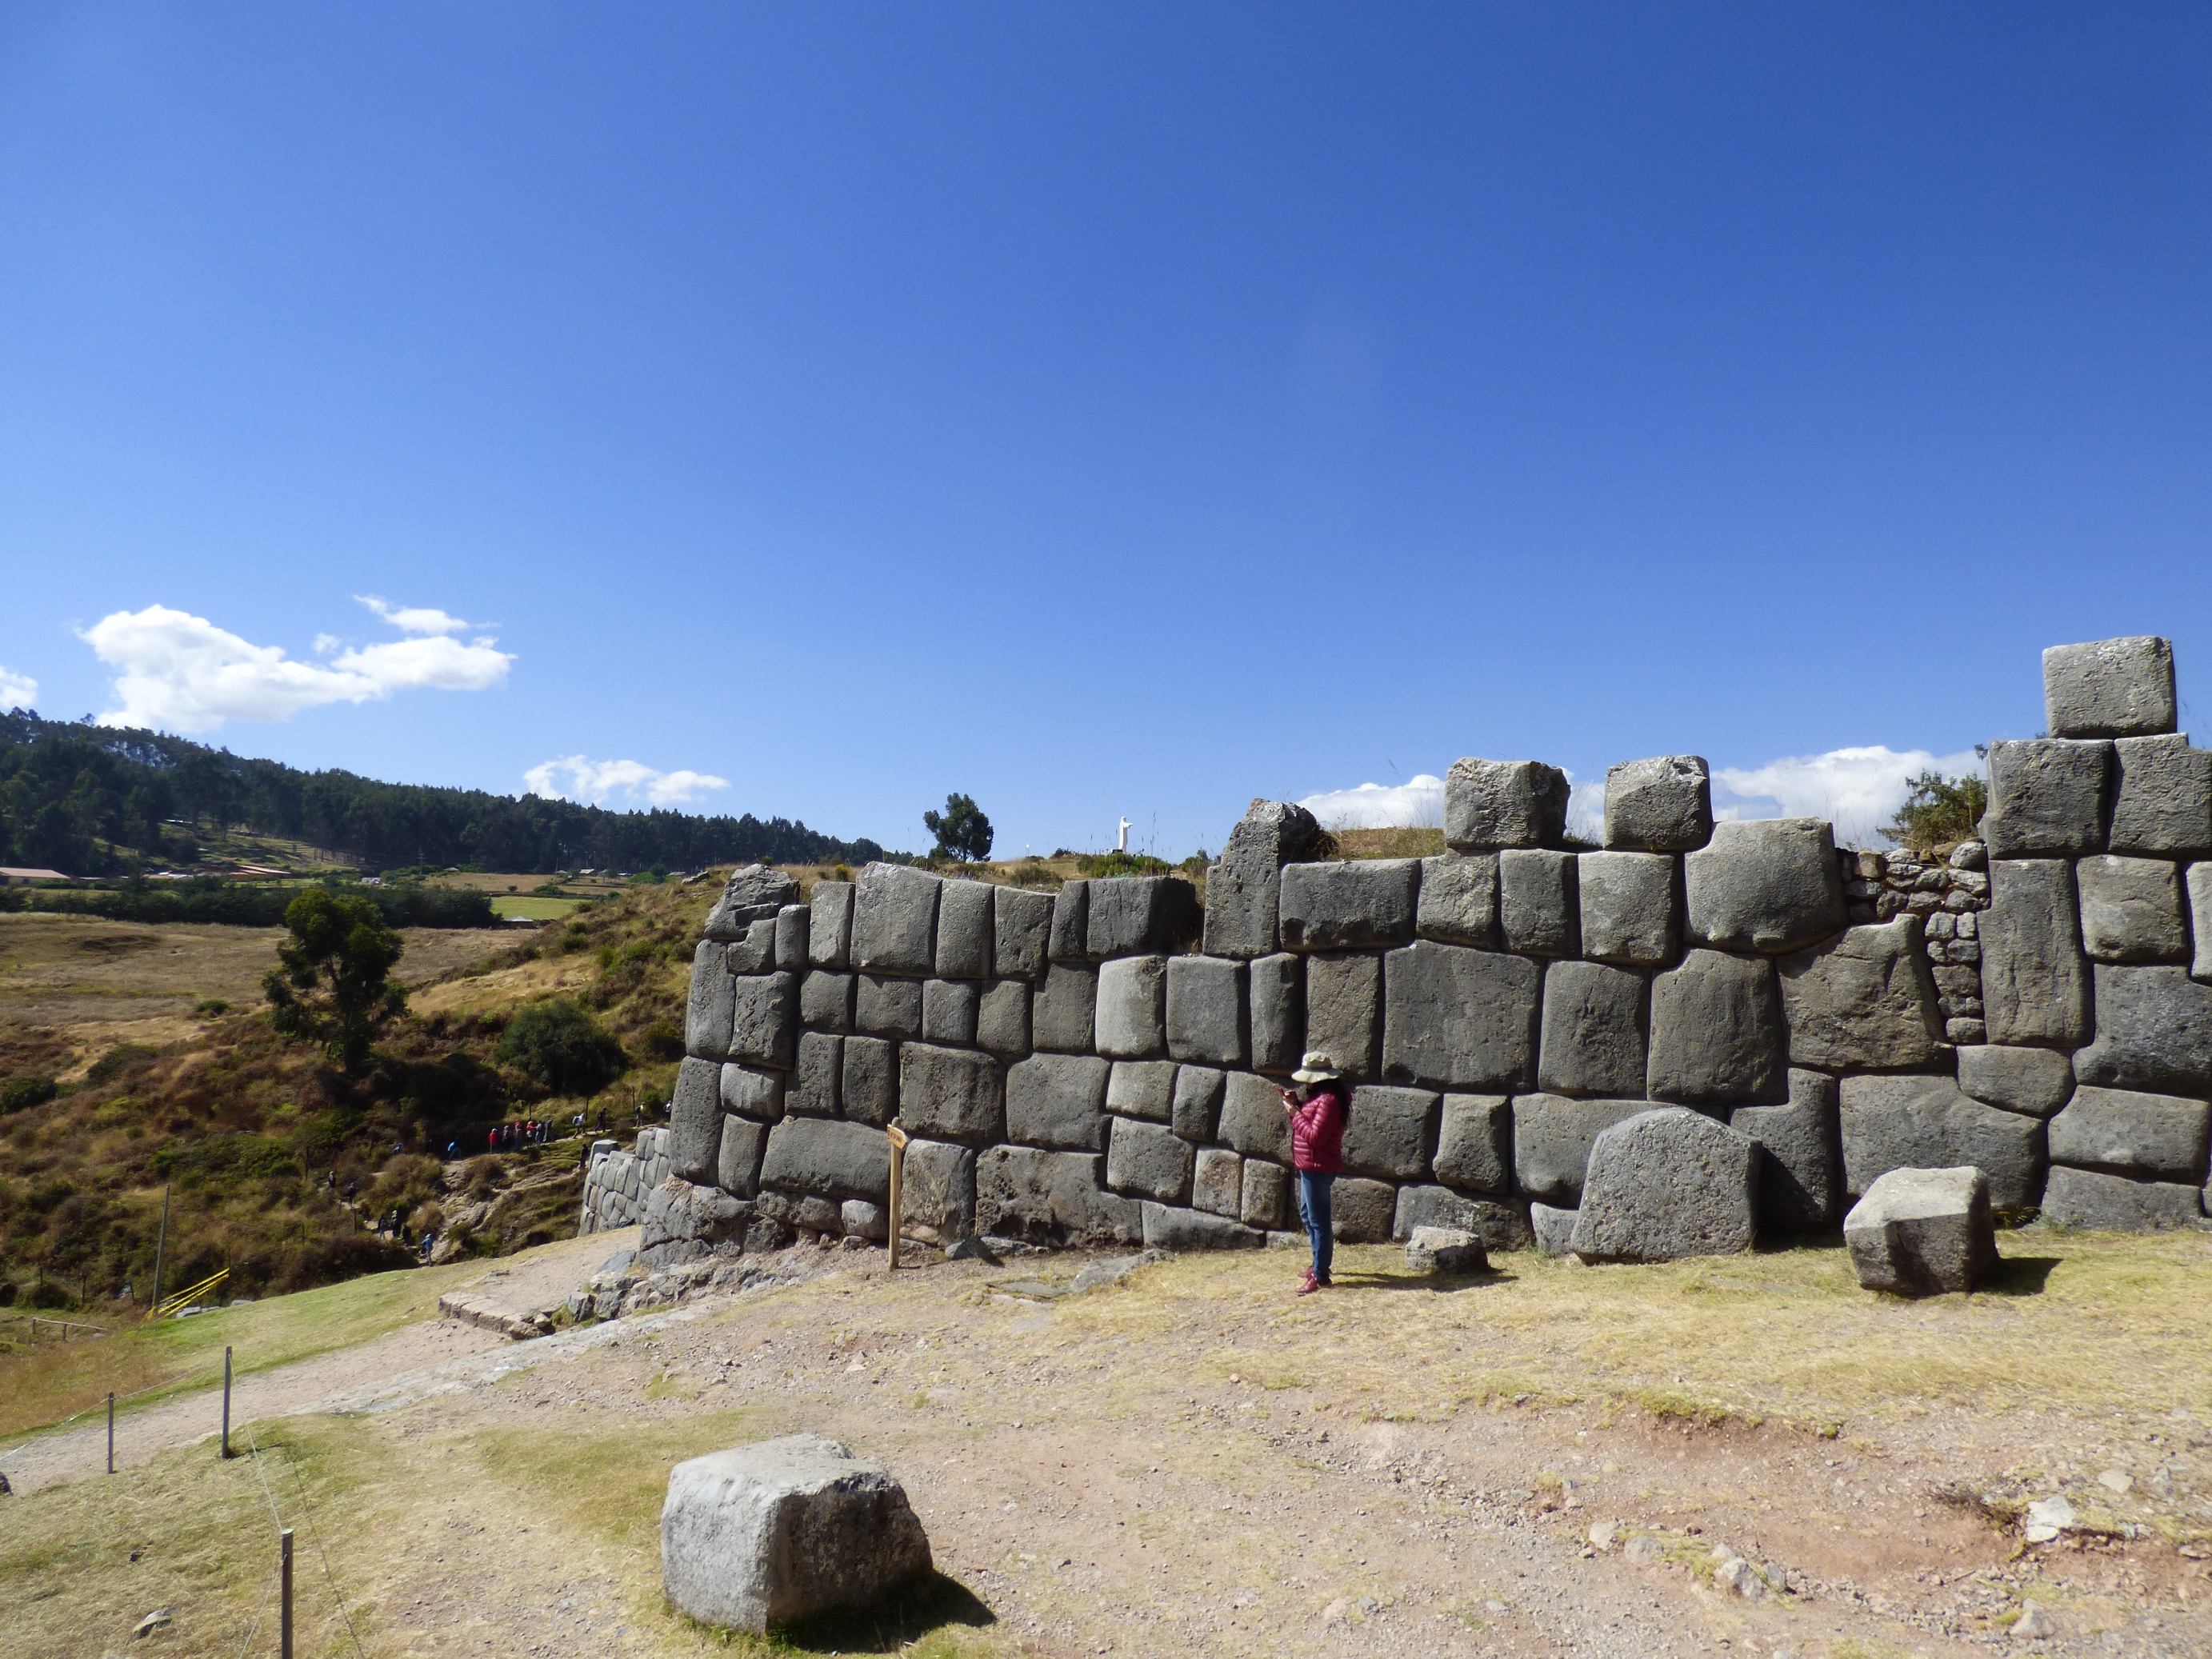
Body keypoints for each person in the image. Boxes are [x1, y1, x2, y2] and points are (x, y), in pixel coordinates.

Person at [1277, 1050, 1347, 1296]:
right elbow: (1311, 1125)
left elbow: (1315, 1137)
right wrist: (1296, 1106)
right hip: (1310, 1165)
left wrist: (1295, 1113)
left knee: (1319, 1221)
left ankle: (1321, 1275)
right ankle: (1318, 1264)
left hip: (1318, 1167)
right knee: (1309, 1215)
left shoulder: (1328, 1101)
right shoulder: (1321, 1097)